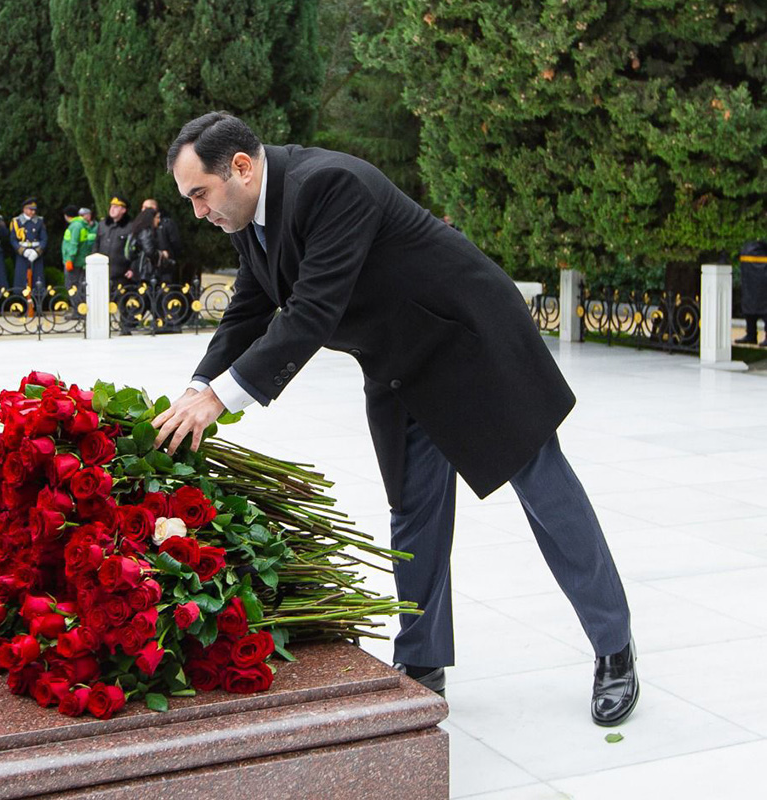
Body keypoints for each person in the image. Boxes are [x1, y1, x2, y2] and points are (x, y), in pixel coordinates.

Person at [152, 111, 638, 727]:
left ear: (241, 168)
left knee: (545, 493)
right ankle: (421, 662)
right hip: (398, 364)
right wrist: (196, 389)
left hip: (469, 344)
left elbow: (312, 312)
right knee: (413, 510)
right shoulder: (250, 217)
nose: (198, 211)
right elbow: (249, 308)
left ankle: (614, 646)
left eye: (200, 194)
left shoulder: (330, 185)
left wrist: (221, 399)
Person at [62, 206, 97, 316]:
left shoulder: (75, 226)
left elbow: (73, 244)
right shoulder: (81, 225)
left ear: (66, 216)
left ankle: (78, 311)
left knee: (72, 286)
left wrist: (69, 259)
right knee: (79, 285)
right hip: (79, 261)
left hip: (74, 262)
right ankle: (81, 310)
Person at [95, 192, 133, 285]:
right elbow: (96, 244)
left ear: (123, 210)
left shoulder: (130, 227)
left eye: (116, 207)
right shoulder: (102, 224)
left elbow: (134, 249)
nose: (112, 209)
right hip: (101, 270)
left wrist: (132, 268)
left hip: (121, 273)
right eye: (111, 206)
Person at [144, 197, 184, 283]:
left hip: (165, 267)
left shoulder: (166, 223)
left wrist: (169, 255)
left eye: (145, 207)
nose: (143, 210)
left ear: (154, 208)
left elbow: (176, 243)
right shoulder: (143, 225)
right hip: (148, 268)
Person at [10, 197, 48, 289]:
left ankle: (38, 297)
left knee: (37, 279)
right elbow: (13, 240)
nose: (33, 212)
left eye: (34, 210)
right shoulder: (17, 221)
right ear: (24, 209)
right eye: (30, 210)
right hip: (22, 254)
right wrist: (22, 251)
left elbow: (44, 239)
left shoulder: (39, 221)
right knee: (21, 279)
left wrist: (37, 251)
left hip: (36, 252)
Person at [736, 239, 767, 344]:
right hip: (748, 272)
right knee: (749, 306)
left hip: (763, 272)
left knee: (764, 306)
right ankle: (751, 334)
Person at [125, 207, 161, 282]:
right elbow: (149, 251)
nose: (159, 220)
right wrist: (161, 255)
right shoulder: (145, 232)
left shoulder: (136, 230)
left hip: (137, 269)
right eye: (157, 218)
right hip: (144, 270)